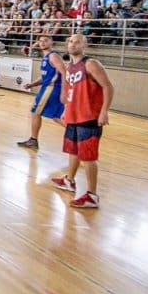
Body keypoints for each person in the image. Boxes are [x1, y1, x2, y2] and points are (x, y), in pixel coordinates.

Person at [50, 34, 113, 209]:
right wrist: (66, 110)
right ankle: (69, 180)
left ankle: (92, 195)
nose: (73, 44)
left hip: (89, 116)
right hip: (74, 115)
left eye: (77, 41)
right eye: (70, 41)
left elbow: (108, 86)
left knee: (88, 156)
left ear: (84, 45)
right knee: (74, 150)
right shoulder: (70, 66)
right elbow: (72, 92)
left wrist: (104, 112)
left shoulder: (91, 64)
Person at [16, 34, 65, 150]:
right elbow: (45, 77)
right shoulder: (46, 57)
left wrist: (65, 90)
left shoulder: (53, 56)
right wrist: (32, 84)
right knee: (57, 116)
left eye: (46, 40)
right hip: (49, 88)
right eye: (40, 41)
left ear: (51, 43)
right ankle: (77, 134)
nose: (42, 43)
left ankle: (33, 140)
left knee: (35, 112)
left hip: (51, 89)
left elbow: (64, 72)